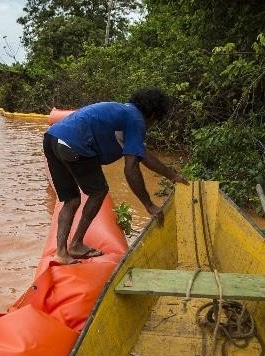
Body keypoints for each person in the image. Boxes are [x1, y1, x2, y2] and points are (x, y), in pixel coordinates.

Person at [43, 87, 189, 265]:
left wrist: (171, 175)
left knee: (72, 200)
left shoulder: (125, 113)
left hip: (52, 139)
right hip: (74, 144)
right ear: (153, 115)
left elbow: (142, 154)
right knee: (99, 191)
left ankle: (61, 253)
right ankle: (76, 244)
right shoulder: (136, 120)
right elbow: (130, 169)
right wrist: (148, 205)